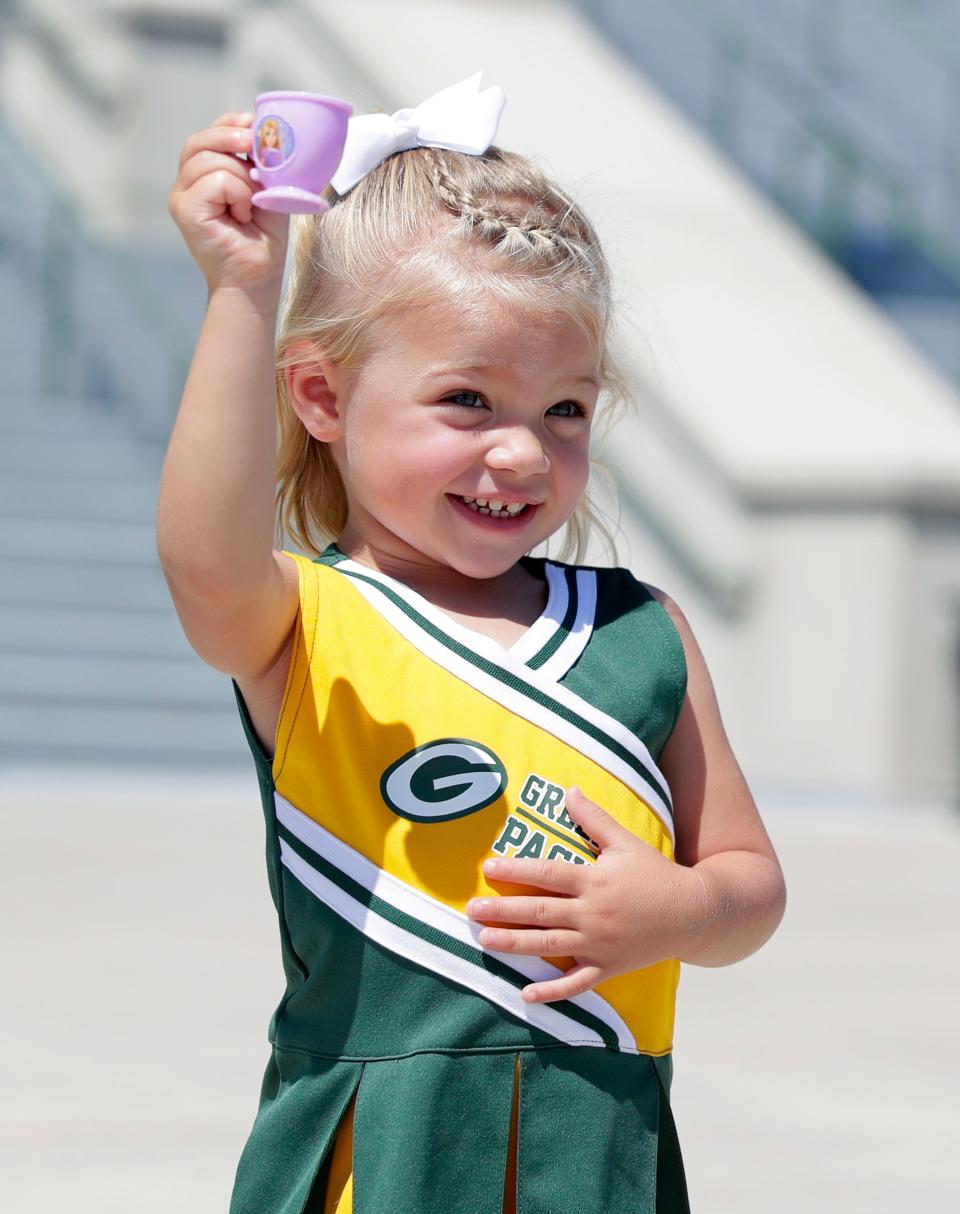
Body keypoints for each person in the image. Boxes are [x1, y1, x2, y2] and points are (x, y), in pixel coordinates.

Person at [161, 75, 786, 1214]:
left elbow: (750, 884)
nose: (521, 454)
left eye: (565, 409)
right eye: (467, 400)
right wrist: (242, 295)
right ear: (319, 395)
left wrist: (675, 912)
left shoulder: (641, 630)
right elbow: (204, 559)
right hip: (378, 1159)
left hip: (597, 1154)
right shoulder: (305, 624)